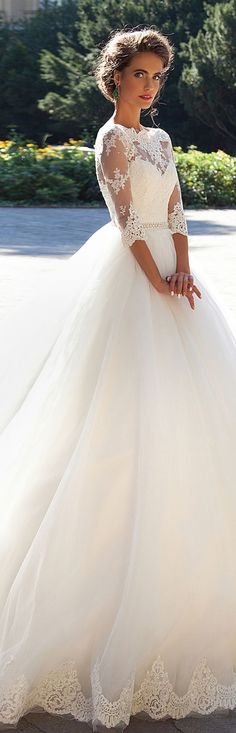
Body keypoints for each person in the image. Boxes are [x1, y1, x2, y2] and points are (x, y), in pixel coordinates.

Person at [0, 26, 236, 733]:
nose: (150, 86)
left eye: (158, 76)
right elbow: (129, 222)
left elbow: (171, 209)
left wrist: (185, 263)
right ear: (116, 78)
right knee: (113, 414)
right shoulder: (110, 142)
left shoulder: (161, 142)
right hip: (133, 277)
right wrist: (158, 278)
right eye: (140, 74)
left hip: (174, 271)